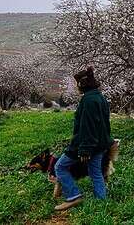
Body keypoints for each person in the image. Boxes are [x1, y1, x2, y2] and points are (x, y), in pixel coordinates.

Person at [54, 67, 112, 211]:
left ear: (82, 84)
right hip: (100, 143)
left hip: (87, 144)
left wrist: (85, 149)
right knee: (96, 172)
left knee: (59, 167)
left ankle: (73, 196)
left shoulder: (88, 101)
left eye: (77, 84)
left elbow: (88, 127)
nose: (76, 87)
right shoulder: (100, 97)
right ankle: (101, 203)